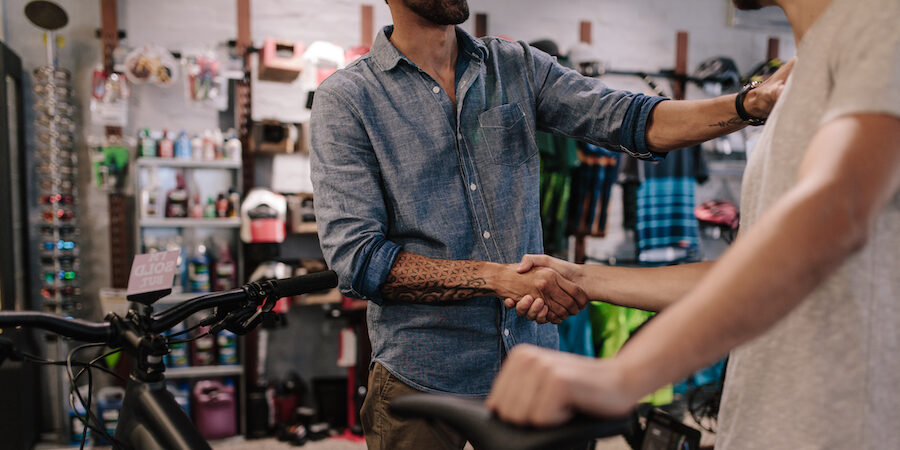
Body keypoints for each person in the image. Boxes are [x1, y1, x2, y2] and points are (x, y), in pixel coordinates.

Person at [310, 0, 788, 448]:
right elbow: (360, 261)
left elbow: (627, 118)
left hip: (533, 365)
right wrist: (496, 279)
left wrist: (747, 105)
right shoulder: (348, 99)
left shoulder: (514, 66)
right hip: (419, 380)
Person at [487, 0, 900, 448]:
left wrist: (621, 376)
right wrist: (583, 277)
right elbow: (743, 274)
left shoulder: (880, 21)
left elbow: (835, 212)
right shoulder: (799, 79)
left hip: (842, 426)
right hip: (763, 423)